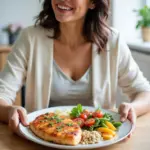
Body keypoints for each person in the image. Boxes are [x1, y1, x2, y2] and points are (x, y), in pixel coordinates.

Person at [0, 0, 150, 137]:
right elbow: (2, 94)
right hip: (43, 140)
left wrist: (132, 108)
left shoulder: (113, 41)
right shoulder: (30, 38)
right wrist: (9, 111)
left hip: (99, 142)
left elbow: (144, 92)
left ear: (92, 3)